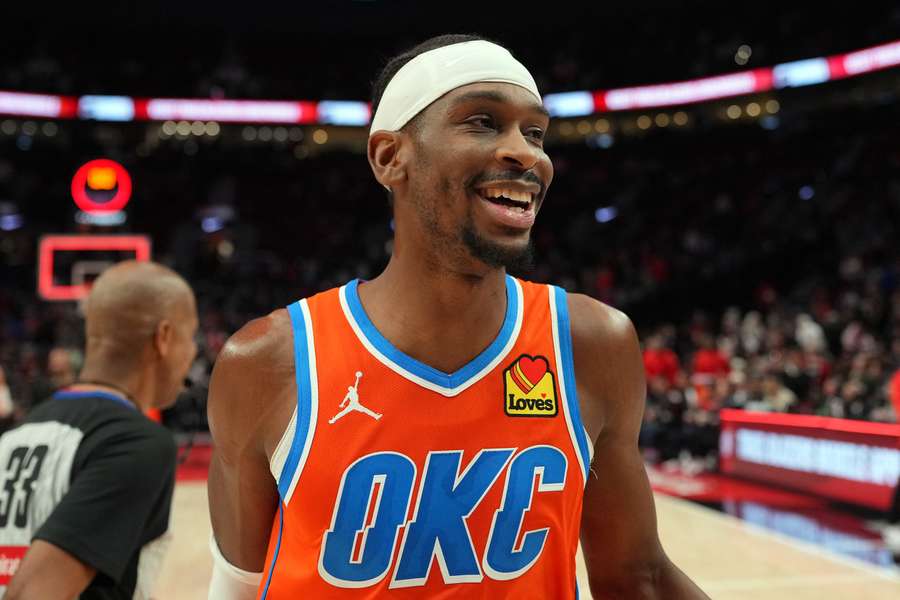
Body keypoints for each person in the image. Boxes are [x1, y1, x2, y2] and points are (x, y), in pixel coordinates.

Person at [207, 34, 710, 599]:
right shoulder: (267, 362)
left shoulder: (591, 343)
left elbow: (637, 578)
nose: (527, 154)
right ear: (389, 157)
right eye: (483, 122)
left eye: (535, 132)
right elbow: (237, 588)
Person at [0, 260, 198, 600]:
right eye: (190, 336)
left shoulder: (20, 432)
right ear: (163, 337)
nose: (193, 352)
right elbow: (31, 593)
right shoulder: (136, 444)